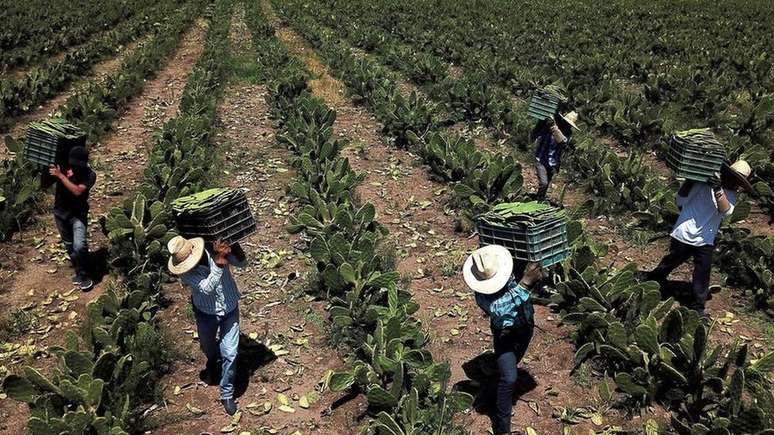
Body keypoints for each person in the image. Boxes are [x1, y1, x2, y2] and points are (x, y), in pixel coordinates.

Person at [646, 161, 753, 316]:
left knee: (702, 273)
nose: (733, 182)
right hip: (684, 232)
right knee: (671, 261)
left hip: (705, 239)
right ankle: (653, 280)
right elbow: (680, 201)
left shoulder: (729, 195)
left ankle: (698, 307)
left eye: (737, 180)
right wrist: (691, 180)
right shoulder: (701, 184)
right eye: (732, 177)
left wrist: (717, 189)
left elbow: (725, 210)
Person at [463, 245, 543, 435]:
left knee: (511, 365)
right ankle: (502, 429)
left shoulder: (510, 267)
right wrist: (525, 283)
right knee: (509, 377)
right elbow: (501, 309)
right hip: (504, 334)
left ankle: (491, 390)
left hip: (526, 327)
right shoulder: (482, 296)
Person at [167, 236, 246, 415]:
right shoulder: (186, 274)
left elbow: (242, 264)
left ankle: (226, 393)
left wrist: (234, 248)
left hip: (229, 307)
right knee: (208, 345)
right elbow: (207, 287)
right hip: (205, 311)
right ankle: (213, 361)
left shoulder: (214, 250)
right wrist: (219, 261)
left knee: (230, 353)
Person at [43, 146, 97, 290]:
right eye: (72, 164)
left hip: (78, 215)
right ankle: (79, 271)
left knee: (79, 246)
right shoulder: (63, 167)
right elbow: (44, 184)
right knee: (69, 246)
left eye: (77, 165)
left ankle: (85, 276)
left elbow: (78, 191)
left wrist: (61, 176)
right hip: (60, 213)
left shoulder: (90, 175)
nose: (74, 167)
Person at [532, 111, 579, 200]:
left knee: (546, 184)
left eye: (569, 124)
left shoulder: (567, 133)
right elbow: (538, 131)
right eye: (566, 123)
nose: (567, 125)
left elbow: (562, 141)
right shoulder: (549, 127)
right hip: (541, 158)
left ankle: (539, 200)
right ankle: (537, 201)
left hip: (553, 162)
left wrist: (554, 127)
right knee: (544, 183)